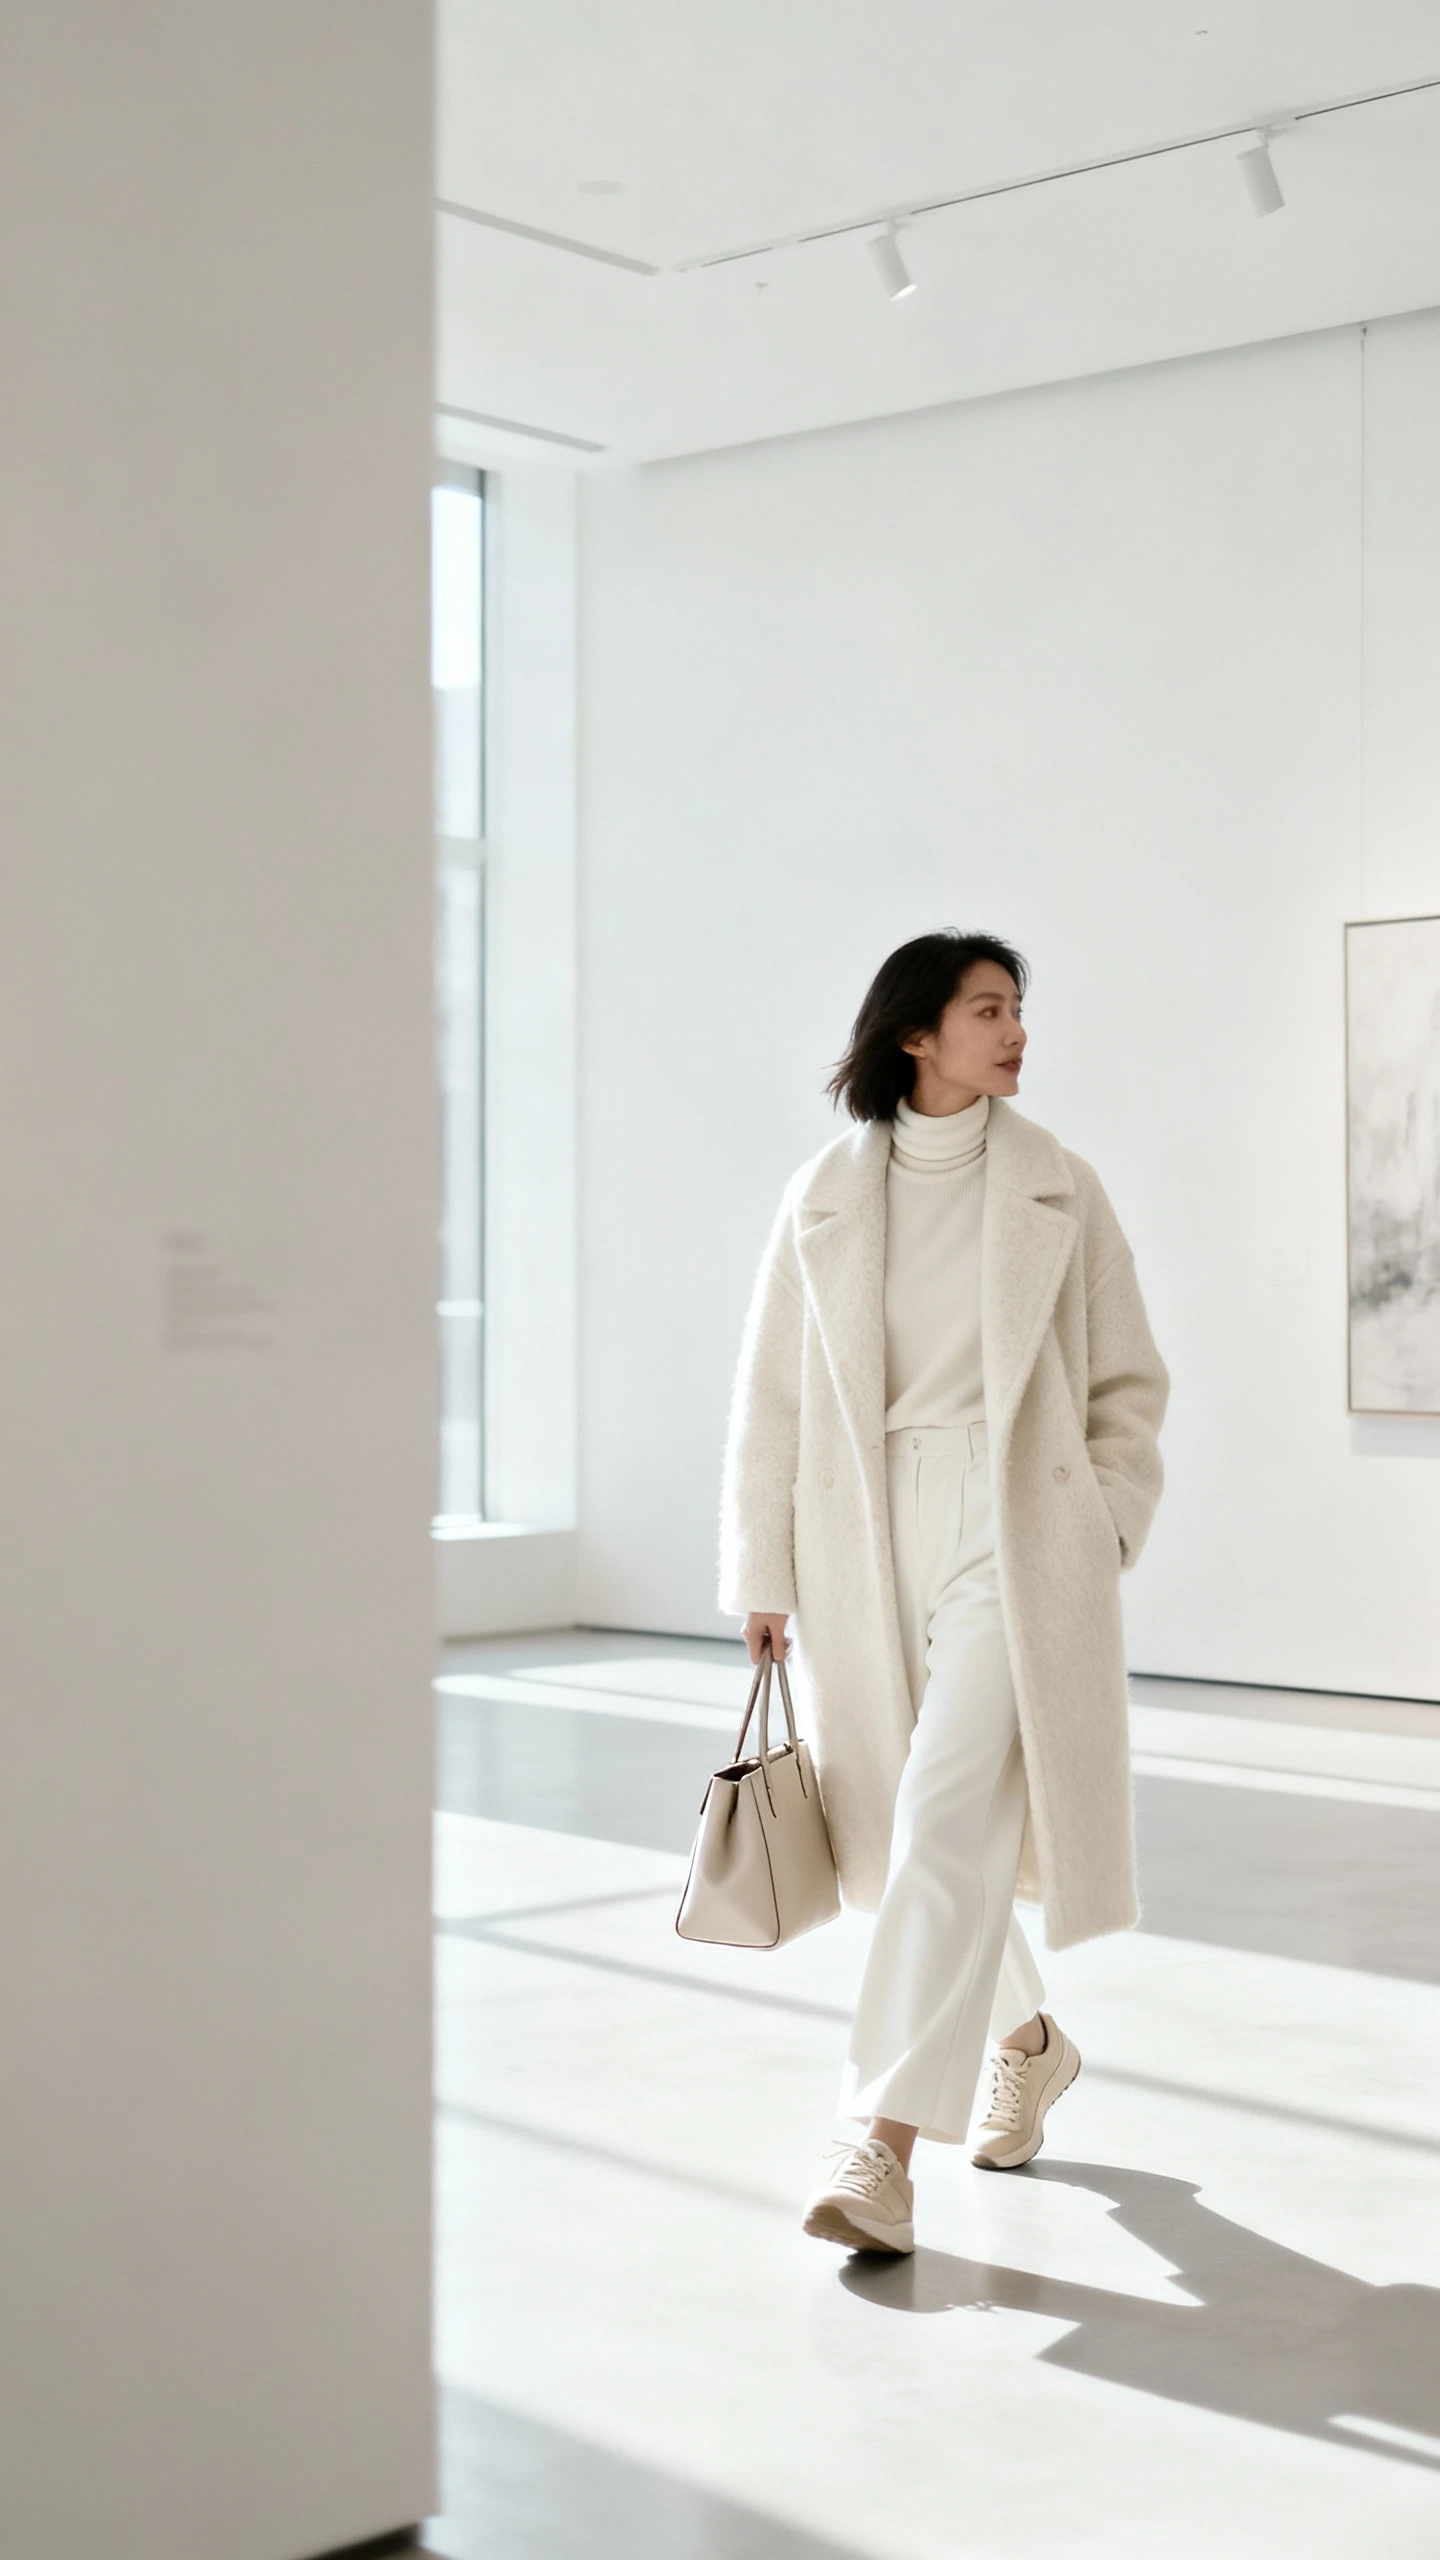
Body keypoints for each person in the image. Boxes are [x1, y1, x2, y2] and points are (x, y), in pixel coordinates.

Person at [718, 930, 1168, 2255]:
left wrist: (1103, 1527)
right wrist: (762, 1568)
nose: (1016, 1031)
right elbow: (774, 1401)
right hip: (861, 1528)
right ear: (917, 1033)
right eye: (988, 1010)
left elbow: (1128, 1387)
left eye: (1019, 1010)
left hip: (1016, 1529)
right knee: (920, 1835)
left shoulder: (1061, 1190)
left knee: (945, 1803)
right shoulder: (824, 1196)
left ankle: (879, 2146)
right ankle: (1025, 2043)